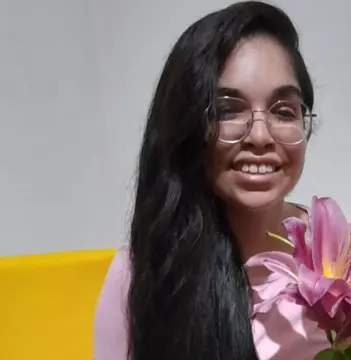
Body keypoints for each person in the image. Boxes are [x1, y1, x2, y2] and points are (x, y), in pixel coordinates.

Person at [92, 2, 330, 359]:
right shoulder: (142, 275)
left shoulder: (344, 263)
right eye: (228, 110)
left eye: (284, 111)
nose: (261, 137)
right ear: (187, 126)